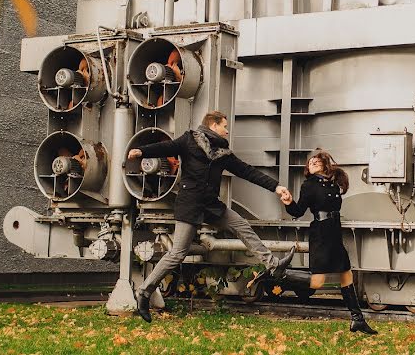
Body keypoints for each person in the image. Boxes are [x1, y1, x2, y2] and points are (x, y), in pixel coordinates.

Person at [128, 110, 295, 323]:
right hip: (190, 205)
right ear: (213, 124)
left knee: (241, 225)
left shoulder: (222, 152)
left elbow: (247, 171)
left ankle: (273, 264)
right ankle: (144, 292)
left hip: (211, 206)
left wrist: (276, 187)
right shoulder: (189, 140)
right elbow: (166, 147)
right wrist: (141, 152)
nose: (227, 130)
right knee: (178, 253)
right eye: (224, 126)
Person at [273, 149, 377, 334]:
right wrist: (288, 202)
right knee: (318, 283)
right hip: (320, 233)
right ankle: (280, 275)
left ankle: (357, 320)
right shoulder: (309, 185)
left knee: (346, 276)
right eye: (309, 162)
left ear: (324, 164)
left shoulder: (333, 183)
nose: (311, 163)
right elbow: (298, 212)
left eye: (315, 161)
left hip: (334, 232)